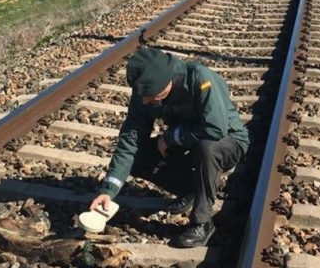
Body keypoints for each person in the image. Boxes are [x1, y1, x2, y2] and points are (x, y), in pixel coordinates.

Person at [88, 47, 249, 248]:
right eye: (142, 95)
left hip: (227, 142)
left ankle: (202, 223)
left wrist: (171, 137)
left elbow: (215, 128)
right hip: (189, 142)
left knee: (207, 148)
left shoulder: (201, 79)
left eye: (149, 94)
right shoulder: (144, 94)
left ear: (165, 83)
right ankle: (191, 190)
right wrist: (108, 191)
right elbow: (130, 141)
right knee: (139, 155)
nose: (145, 100)